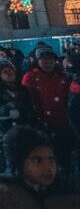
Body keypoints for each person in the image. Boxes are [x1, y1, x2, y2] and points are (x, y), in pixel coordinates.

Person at [0, 125, 79, 209]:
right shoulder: (2, 197)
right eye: (37, 160)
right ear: (20, 163)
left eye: (51, 160)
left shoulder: (63, 193)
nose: (48, 167)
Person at [21, 47, 74, 186]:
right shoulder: (30, 77)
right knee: (47, 161)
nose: (49, 62)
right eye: (45, 59)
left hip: (63, 125)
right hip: (42, 128)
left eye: (51, 59)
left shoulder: (63, 76)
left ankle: (64, 186)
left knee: (64, 159)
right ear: (38, 61)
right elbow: (26, 101)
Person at [0, 57, 33, 176]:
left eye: (11, 70)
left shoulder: (22, 88)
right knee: (9, 164)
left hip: (23, 131)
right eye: (5, 71)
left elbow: (29, 107)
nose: (9, 73)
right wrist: (9, 110)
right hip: (4, 133)